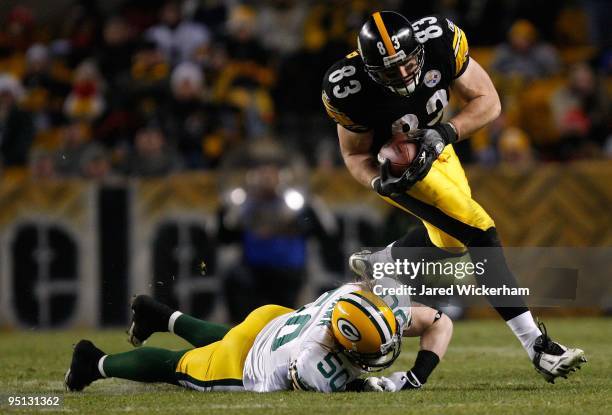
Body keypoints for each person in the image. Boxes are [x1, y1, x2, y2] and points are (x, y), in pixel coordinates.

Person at [321, 11, 586, 384]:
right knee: (480, 232)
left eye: (406, 63)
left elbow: (488, 100)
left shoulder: (440, 41)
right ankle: (538, 347)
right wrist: (379, 183)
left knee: (451, 243)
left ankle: (385, 261)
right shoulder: (348, 88)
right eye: (387, 71)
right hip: (404, 169)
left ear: (418, 49)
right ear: (367, 67)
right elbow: (354, 156)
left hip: (440, 147)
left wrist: (447, 131)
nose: (401, 75)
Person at [65, 277, 453, 392]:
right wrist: (388, 386)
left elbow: (439, 322)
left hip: (271, 321)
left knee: (232, 335)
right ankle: (94, 363)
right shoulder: (315, 363)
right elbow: (354, 393)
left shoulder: (357, 302)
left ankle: (158, 315)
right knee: (176, 366)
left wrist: (417, 376)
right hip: (246, 364)